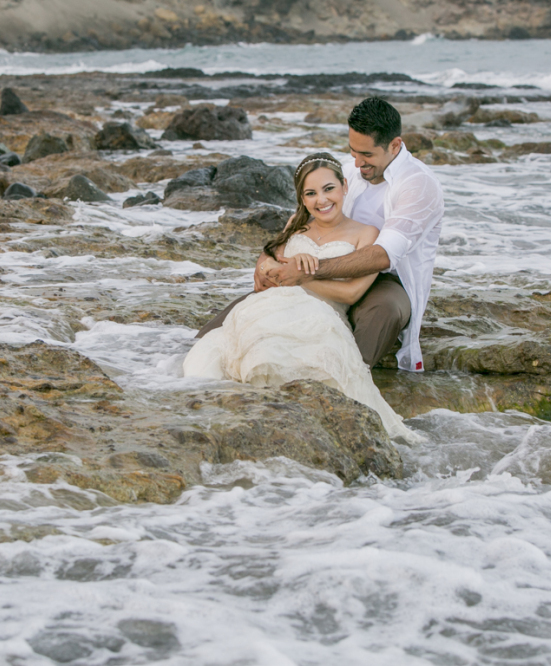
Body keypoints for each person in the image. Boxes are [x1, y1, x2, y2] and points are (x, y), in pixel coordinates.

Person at [199, 96, 444, 373]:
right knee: (237, 322)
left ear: (394, 145)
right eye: (353, 152)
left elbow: (383, 255)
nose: (358, 163)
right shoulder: (347, 172)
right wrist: (265, 260)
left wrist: (308, 272)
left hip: (388, 280)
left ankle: (347, 376)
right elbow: (303, 219)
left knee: (384, 310)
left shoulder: (418, 185)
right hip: (324, 266)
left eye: (367, 155)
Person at [183, 153, 415, 440]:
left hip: (320, 315)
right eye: (311, 193)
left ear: (344, 186)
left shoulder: (366, 233)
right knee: (211, 357)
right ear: (302, 199)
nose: (322, 200)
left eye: (329, 189)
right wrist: (276, 269)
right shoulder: (296, 223)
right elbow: (269, 269)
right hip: (269, 305)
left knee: (280, 361)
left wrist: (304, 276)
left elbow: (352, 293)